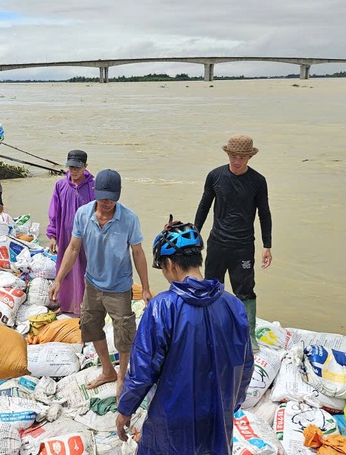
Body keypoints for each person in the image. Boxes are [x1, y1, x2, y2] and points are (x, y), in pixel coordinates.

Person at [116, 218, 254, 454]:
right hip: (217, 415)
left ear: (169, 264)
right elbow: (245, 365)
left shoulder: (162, 308)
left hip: (173, 419)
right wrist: (232, 404)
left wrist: (125, 409)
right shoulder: (233, 305)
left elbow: (143, 370)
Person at [49, 169, 151, 395]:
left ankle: (122, 377)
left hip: (119, 286)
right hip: (92, 284)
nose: (107, 202)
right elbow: (73, 248)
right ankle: (107, 370)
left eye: (112, 197)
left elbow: (138, 253)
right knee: (90, 327)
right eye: (103, 196)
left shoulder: (129, 218)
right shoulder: (83, 215)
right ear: (95, 192)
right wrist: (58, 280)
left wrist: (145, 288)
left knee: (124, 335)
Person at [194, 134, 272, 351]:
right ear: (228, 154)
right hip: (217, 242)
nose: (237, 161)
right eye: (234, 156)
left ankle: (249, 334)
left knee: (245, 291)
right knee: (211, 288)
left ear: (249, 157)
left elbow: (264, 214)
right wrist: (194, 233)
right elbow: (204, 206)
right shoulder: (215, 176)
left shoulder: (258, 181)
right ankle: (210, 329)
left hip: (243, 246)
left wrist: (268, 245)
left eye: (242, 157)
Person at [46, 149, 96, 315]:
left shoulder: (92, 186)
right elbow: (54, 211)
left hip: (88, 236)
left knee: (86, 268)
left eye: (77, 168)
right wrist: (53, 235)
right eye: (71, 167)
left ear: (85, 167)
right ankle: (66, 304)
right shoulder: (61, 186)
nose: (73, 171)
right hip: (65, 234)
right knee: (65, 268)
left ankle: (85, 304)